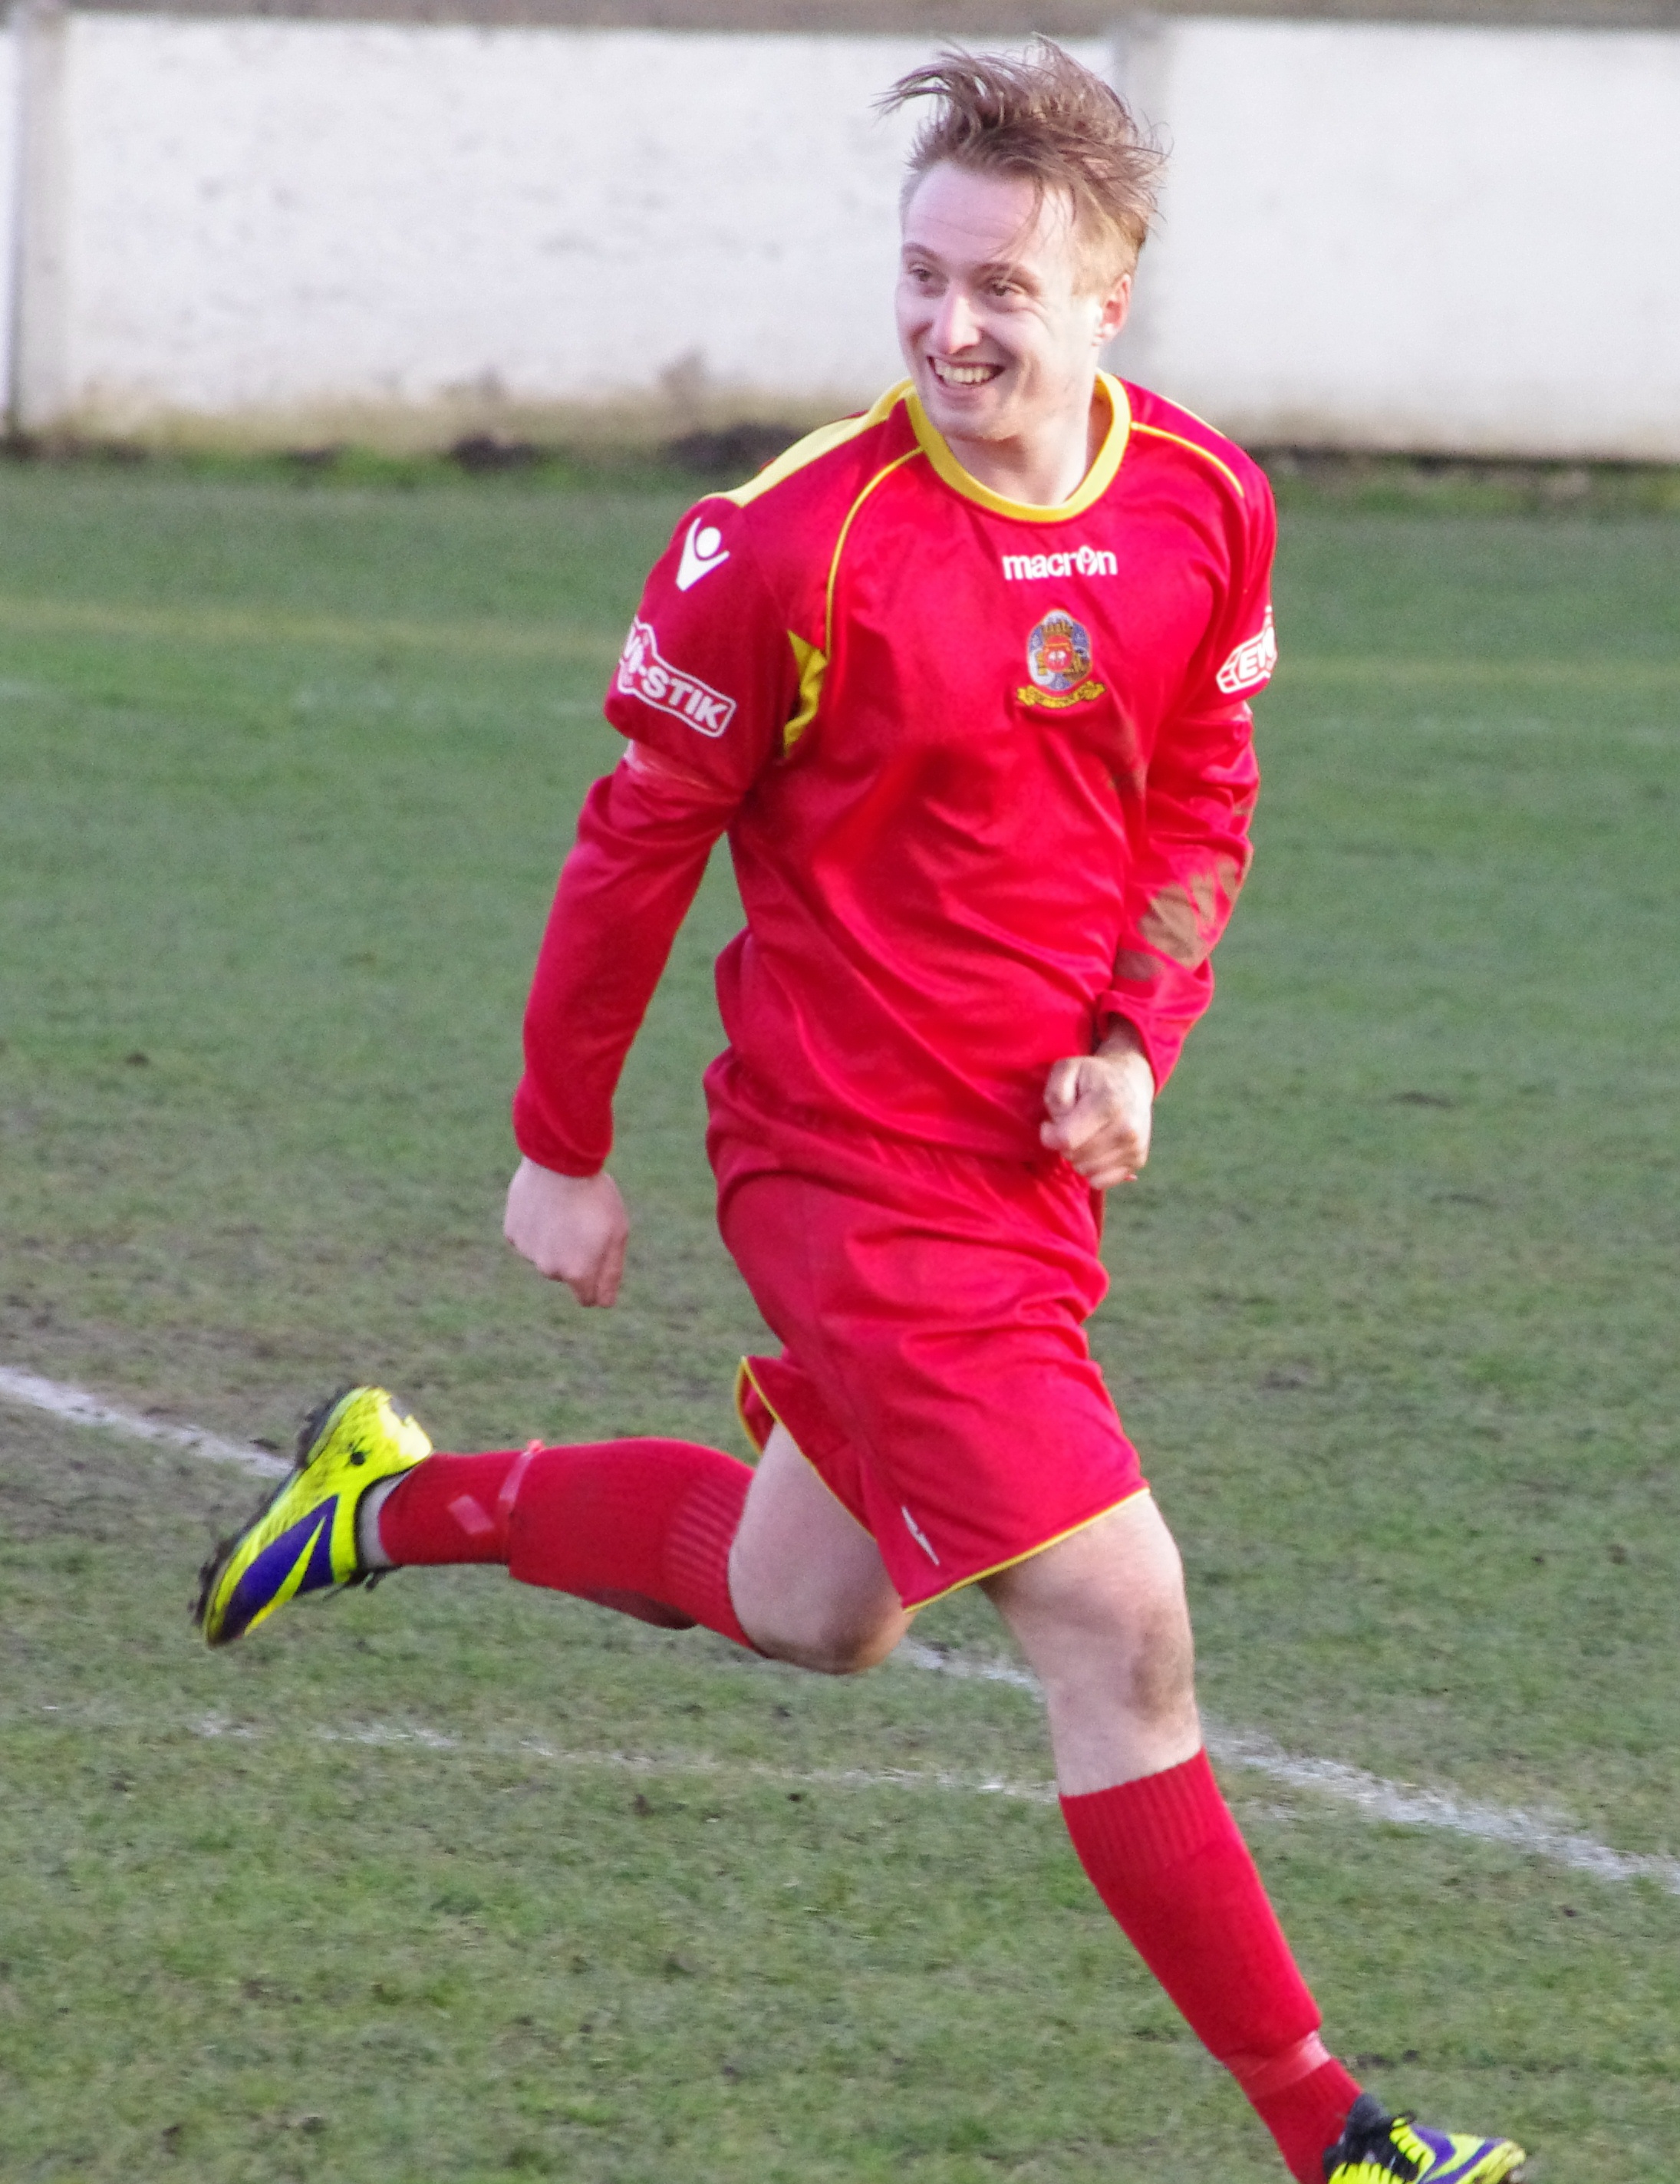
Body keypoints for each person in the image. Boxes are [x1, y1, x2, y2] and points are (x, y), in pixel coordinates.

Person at [196, 42, 1527, 2184]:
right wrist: (561, 1146)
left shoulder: (1204, 502)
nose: (950, 325)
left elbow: (1197, 790)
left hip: (1024, 1179)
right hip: (844, 1175)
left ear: (1111, 294)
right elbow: (634, 842)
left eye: (1003, 284)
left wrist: (1132, 1042)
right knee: (1120, 1621)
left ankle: (387, 1498)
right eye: (922, 275)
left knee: (816, 1606)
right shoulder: (790, 545)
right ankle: (1339, 2140)